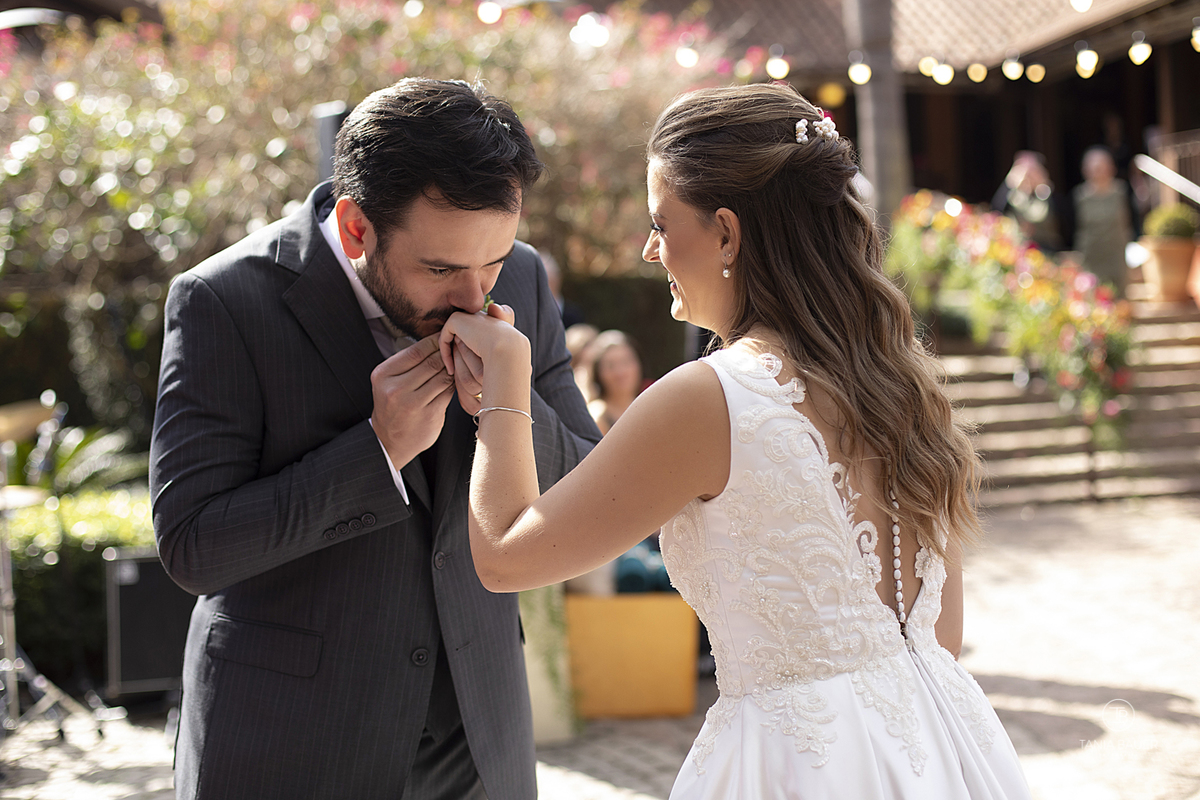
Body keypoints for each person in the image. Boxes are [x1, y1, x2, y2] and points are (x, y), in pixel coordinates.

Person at [440, 83, 1033, 798]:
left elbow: (506, 557)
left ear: (726, 232)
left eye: (662, 222)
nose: (650, 249)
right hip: (942, 745)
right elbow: (941, 636)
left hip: (795, 764)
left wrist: (505, 382)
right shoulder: (905, 385)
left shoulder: (707, 398)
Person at [149, 78, 600, 800]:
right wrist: (375, 452)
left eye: (491, 261)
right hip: (293, 743)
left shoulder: (517, 276)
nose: (474, 295)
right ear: (357, 226)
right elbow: (193, 545)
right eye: (442, 268)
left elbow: (588, 485)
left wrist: (511, 408)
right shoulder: (224, 301)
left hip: (477, 739)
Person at [1073, 146, 1134, 294]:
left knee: (1119, 296)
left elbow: (1132, 221)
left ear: (1111, 168)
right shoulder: (1079, 196)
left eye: (1101, 167)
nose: (1098, 171)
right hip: (1092, 255)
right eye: (1094, 168)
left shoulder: (1122, 191)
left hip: (1116, 254)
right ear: (1085, 170)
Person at [991, 151, 1064, 253]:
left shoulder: (1048, 195)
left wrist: (1043, 185)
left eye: (1033, 170)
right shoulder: (1013, 195)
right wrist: (1011, 184)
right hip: (1018, 249)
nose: (1029, 176)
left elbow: (1060, 218)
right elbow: (997, 210)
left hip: (1046, 250)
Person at [585, 329, 644, 434]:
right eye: (611, 366)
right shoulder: (597, 415)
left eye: (626, 362)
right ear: (598, 373)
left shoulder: (647, 407)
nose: (620, 372)